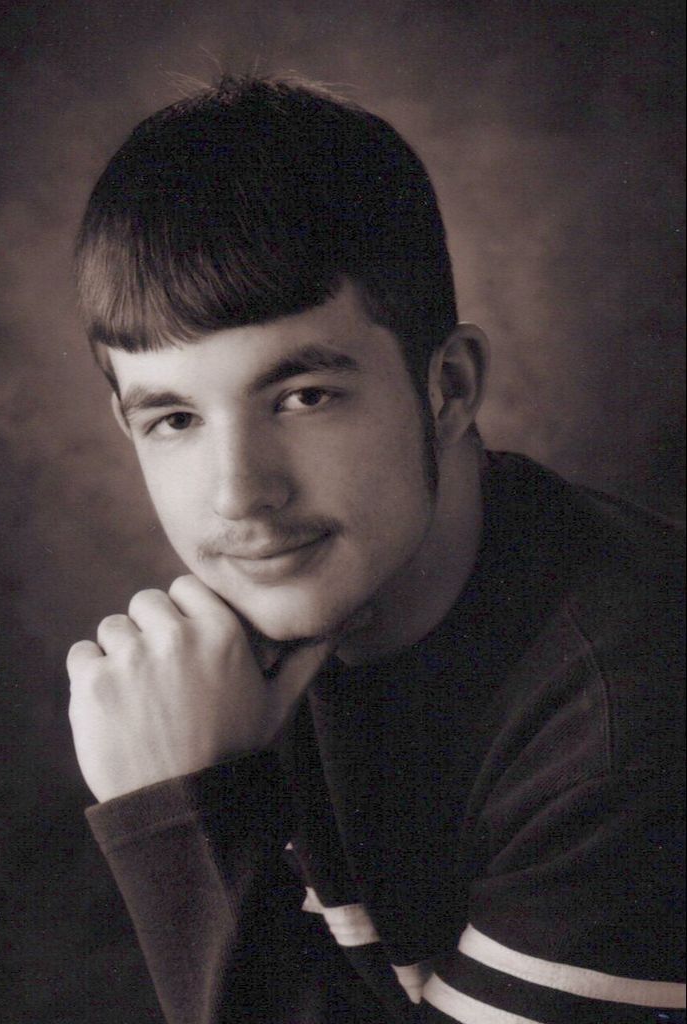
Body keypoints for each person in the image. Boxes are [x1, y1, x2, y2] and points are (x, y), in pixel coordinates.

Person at [66, 76, 685, 1023]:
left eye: (303, 397)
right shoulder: (228, 667)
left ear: (449, 388)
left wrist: (182, 826)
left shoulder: (629, 723)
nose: (239, 494)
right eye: (175, 419)